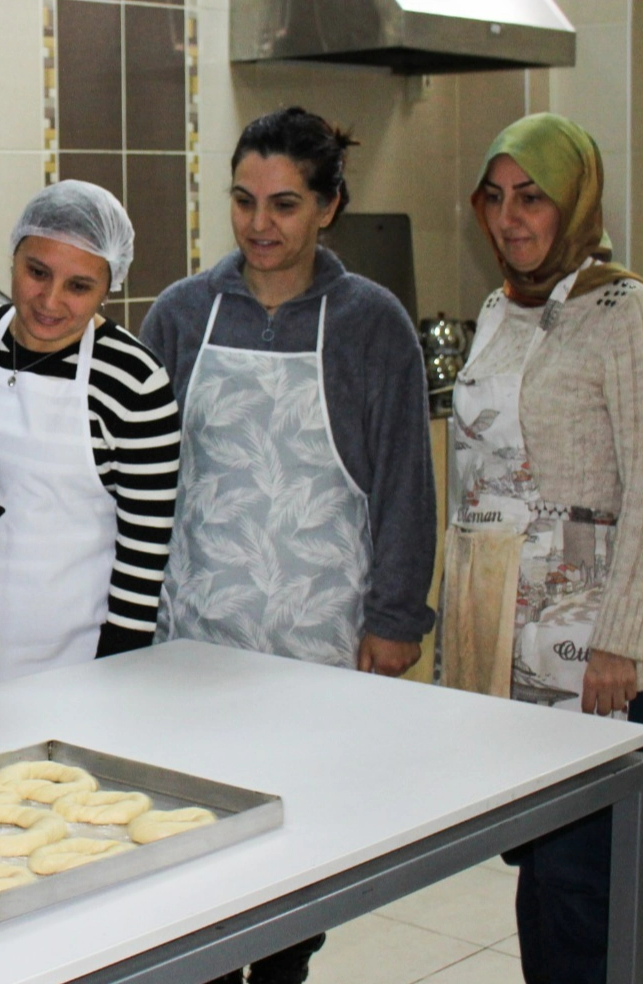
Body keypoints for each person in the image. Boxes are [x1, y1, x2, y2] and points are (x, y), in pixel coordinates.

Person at [140, 108, 437, 984]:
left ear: (327, 209)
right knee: (188, 854)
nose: (259, 226)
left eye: (283, 205)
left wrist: (394, 616)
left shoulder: (369, 324)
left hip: (316, 641)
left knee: (290, 872)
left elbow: (402, 484)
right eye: (242, 201)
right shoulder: (182, 313)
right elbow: (141, 480)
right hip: (190, 642)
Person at [443, 113, 643, 982]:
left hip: (588, 634)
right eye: (496, 198)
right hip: (503, 629)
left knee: (582, 873)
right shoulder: (496, 306)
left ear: (573, 203)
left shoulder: (627, 312)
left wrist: (622, 638)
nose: (510, 219)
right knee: (536, 858)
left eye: (532, 197)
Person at [0, 180, 180, 679]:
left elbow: (142, 558)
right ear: (14, 255)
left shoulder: (135, 383)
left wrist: (110, 681)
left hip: (74, 664)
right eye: (36, 272)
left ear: (109, 285)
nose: (50, 301)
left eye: (79, 286)